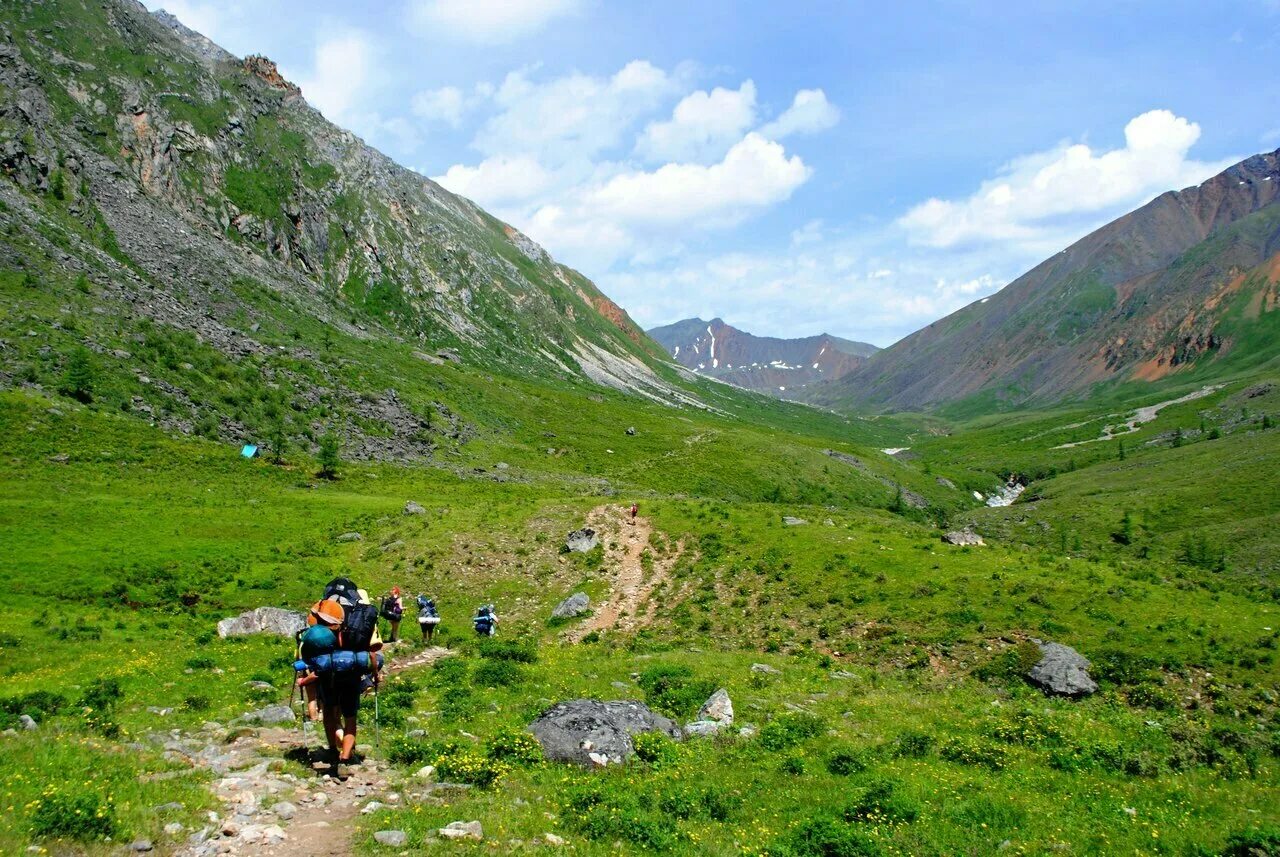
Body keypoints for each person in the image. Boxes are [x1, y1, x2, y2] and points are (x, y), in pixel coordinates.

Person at [317, 588, 382, 778]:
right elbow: (373, 650)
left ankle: (332, 747)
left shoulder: (327, 611)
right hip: (352, 671)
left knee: (330, 710)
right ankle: (345, 758)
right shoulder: (363, 617)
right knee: (350, 716)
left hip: (328, 671)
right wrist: (375, 673)